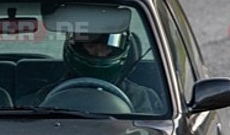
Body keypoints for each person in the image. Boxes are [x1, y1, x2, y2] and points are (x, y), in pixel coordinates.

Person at [34, 31, 165, 114]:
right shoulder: (45, 97)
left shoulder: (141, 97)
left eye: (106, 48)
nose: (98, 54)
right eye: (90, 47)